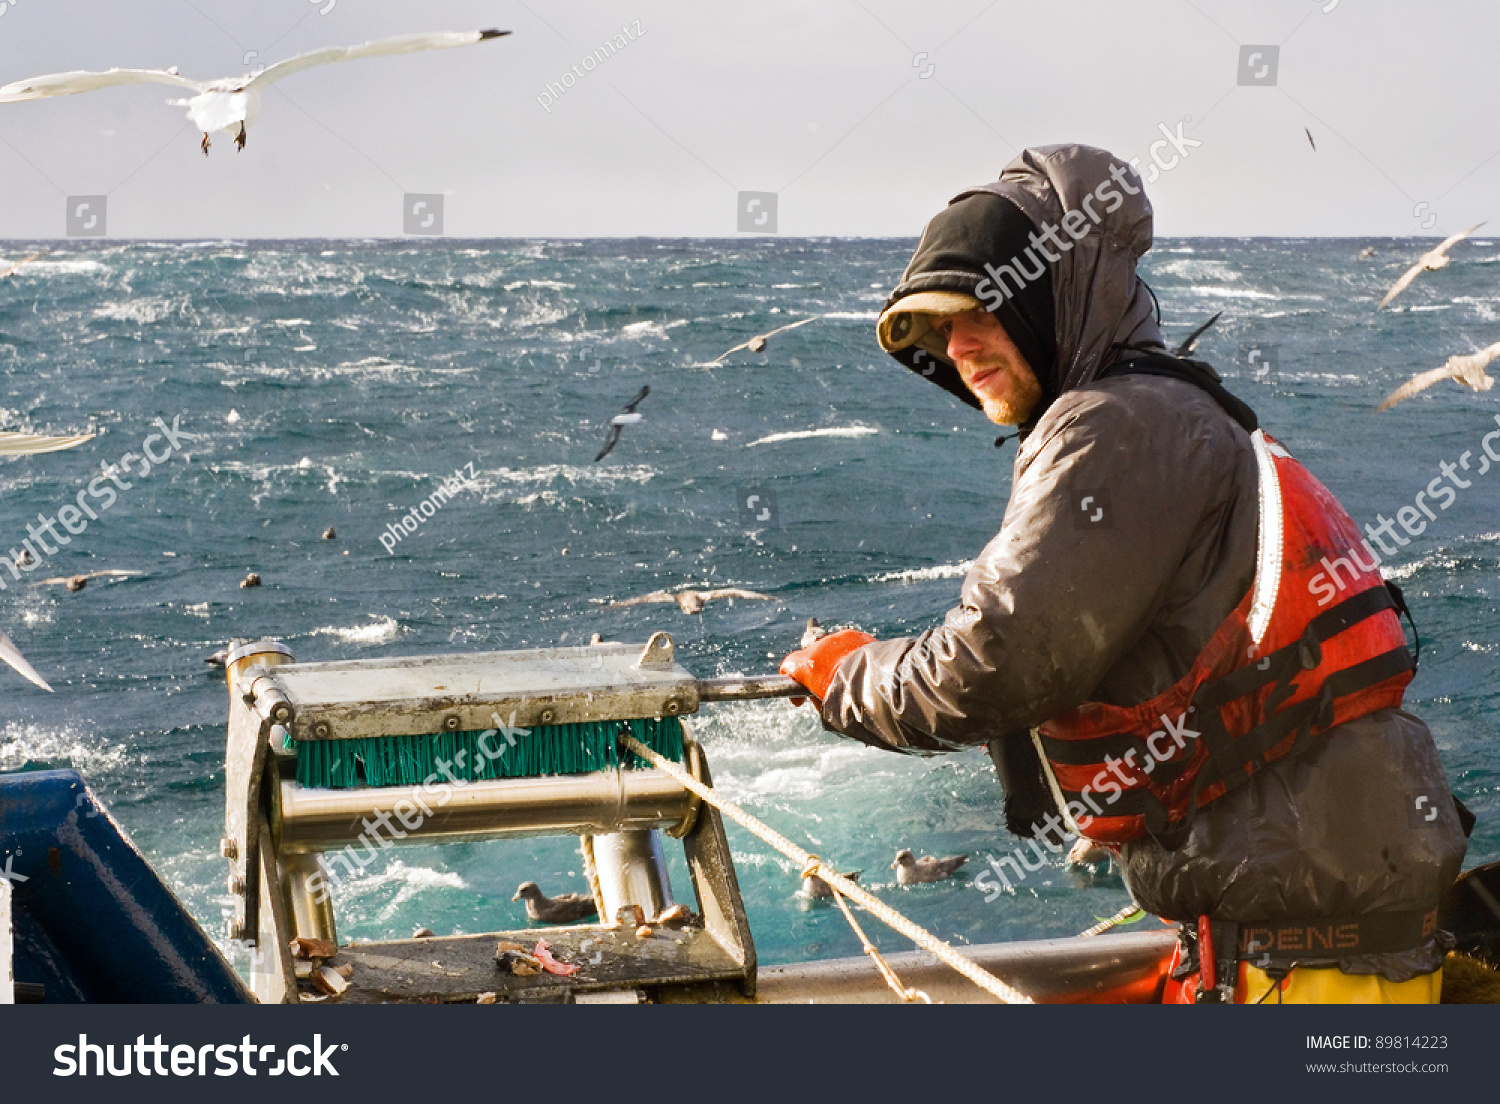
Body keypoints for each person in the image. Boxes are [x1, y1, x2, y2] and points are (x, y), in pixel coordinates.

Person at [779, 144, 1469, 1004]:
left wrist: (843, 674)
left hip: (1297, 962)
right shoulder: (1170, 407)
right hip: (1321, 936)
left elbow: (996, 662)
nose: (956, 346)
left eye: (976, 313)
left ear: (1048, 298)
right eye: (934, 331)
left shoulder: (1116, 427)